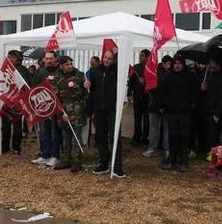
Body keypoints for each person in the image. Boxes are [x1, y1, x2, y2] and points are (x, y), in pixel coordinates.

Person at [87, 50, 125, 178]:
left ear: (114, 59)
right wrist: (87, 85)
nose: (107, 60)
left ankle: (117, 166)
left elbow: (124, 61)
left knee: (115, 137)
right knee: (100, 137)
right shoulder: (96, 71)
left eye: (110, 58)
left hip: (112, 109)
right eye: (105, 57)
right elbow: (92, 90)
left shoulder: (117, 71)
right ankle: (104, 163)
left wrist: (119, 50)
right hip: (99, 109)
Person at [161, 55, 199, 172]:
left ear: (183, 64)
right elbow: (163, 92)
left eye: (179, 63)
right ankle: (172, 160)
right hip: (172, 112)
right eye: (175, 63)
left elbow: (195, 92)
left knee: (184, 137)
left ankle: (184, 161)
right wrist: (166, 105)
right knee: (172, 137)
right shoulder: (168, 77)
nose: (177, 65)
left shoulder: (190, 76)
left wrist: (191, 104)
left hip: (185, 113)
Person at [53, 56, 88, 172]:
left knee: (76, 138)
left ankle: (77, 162)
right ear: (61, 66)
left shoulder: (80, 76)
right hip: (64, 114)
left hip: (77, 113)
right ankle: (66, 160)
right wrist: (60, 113)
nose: (70, 66)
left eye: (71, 63)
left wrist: (81, 107)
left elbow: (86, 94)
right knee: (65, 138)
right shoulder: (56, 79)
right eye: (67, 64)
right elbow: (55, 99)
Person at [31, 51, 62, 168]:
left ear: (55, 59)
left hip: (55, 108)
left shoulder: (60, 71)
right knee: (44, 132)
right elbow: (34, 88)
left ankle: (55, 156)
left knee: (55, 133)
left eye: (51, 58)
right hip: (43, 108)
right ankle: (45, 155)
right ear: (44, 59)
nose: (49, 60)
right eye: (47, 58)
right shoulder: (41, 72)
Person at [0, 50, 32, 155]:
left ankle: (16, 147)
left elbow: (27, 86)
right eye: (9, 57)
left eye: (13, 57)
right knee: (5, 125)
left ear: (19, 59)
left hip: (17, 101)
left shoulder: (24, 71)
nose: (10, 59)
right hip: (6, 100)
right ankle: (4, 147)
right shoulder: (4, 69)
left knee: (17, 125)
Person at [201, 59, 222, 173]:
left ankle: (215, 164)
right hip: (209, 111)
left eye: (213, 62)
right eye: (210, 63)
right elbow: (209, 94)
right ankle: (217, 163)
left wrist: (217, 114)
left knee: (214, 140)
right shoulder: (210, 75)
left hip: (217, 113)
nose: (210, 65)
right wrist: (204, 89)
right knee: (212, 139)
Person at [143, 55, 173, 158]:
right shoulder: (155, 73)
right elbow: (155, 90)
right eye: (168, 64)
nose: (169, 66)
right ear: (163, 63)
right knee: (154, 128)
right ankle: (152, 148)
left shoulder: (171, 73)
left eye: (170, 64)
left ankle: (167, 149)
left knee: (167, 128)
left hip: (167, 106)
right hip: (155, 105)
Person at [129, 49, 150, 146]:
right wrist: (129, 94)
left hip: (148, 97)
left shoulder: (151, 68)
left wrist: (145, 82)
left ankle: (146, 138)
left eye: (142, 56)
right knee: (137, 118)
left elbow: (154, 83)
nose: (140, 57)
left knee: (146, 119)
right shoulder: (135, 68)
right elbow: (131, 82)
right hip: (137, 96)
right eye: (140, 55)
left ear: (147, 57)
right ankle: (136, 137)